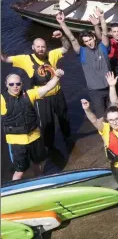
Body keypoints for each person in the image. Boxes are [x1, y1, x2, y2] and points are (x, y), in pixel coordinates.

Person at [1, 31, 72, 162]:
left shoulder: (52, 54)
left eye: (43, 46)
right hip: (41, 98)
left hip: (57, 94)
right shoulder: (25, 59)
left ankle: (68, 138)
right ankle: (50, 148)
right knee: (46, 123)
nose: (41, 49)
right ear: (33, 48)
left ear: (46, 47)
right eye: (38, 46)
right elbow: (5, 58)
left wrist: (62, 37)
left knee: (64, 118)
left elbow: (67, 48)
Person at [1, 70, 64, 180]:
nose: (15, 86)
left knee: (38, 164)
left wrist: (57, 76)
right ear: (6, 84)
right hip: (17, 142)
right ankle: (13, 191)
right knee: (19, 171)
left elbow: (47, 87)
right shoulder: (2, 99)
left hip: (35, 137)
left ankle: (39, 182)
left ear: (22, 84)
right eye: (11, 84)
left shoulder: (29, 94)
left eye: (18, 84)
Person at [57, 8, 111, 118]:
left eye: (90, 39)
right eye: (86, 41)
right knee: (102, 118)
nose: (89, 43)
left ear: (94, 38)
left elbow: (104, 33)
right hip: (95, 91)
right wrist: (62, 23)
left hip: (111, 87)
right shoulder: (82, 52)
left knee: (114, 114)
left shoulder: (103, 47)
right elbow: (72, 39)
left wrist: (101, 18)